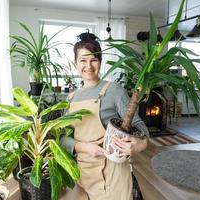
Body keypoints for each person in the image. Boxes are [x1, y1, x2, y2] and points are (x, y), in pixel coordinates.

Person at [60, 32, 149, 200]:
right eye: (83, 60)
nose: (89, 65)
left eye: (94, 60)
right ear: (75, 63)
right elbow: (63, 139)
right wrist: (84, 147)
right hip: (83, 172)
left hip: (113, 172)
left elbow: (138, 124)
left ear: (100, 62)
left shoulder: (114, 91)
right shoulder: (71, 98)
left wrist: (140, 144)